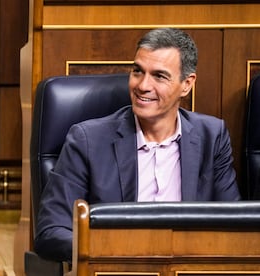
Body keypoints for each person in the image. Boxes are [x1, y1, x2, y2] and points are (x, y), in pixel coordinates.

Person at [34, 28, 241, 263]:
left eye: (159, 76)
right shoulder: (87, 140)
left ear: (186, 84)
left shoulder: (211, 138)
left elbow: (233, 227)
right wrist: (117, 253)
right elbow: (51, 232)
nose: (143, 85)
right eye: (137, 72)